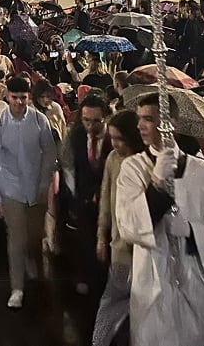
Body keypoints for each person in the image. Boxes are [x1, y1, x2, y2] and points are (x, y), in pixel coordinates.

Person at [114, 93, 204, 346]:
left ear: (169, 122)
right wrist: (158, 185)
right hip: (153, 280)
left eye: (148, 119)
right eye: (139, 119)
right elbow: (128, 224)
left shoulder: (202, 172)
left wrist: (192, 232)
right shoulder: (132, 169)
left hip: (195, 279)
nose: (140, 126)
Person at [0, 76, 58, 309]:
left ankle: (34, 265)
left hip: (36, 187)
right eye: (14, 98)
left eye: (23, 98)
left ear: (29, 98)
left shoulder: (39, 120)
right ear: (7, 96)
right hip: (11, 187)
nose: (18, 102)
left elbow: (49, 152)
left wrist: (45, 184)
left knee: (36, 237)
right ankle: (17, 287)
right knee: (16, 238)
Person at [91, 110, 144, 346]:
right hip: (120, 247)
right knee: (112, 302)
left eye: (120, 138)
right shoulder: (113, 159)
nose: (115, 144)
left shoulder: (148, 163)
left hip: (145, 251)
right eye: (112, 138)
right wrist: (101, 236)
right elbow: (105, 199)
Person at [59, 94, 112, 296]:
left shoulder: (112, 137)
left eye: (96, 121)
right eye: (86, 120)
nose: (90, 125)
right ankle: (85, 277)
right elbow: (70, 165)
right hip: (83, 195)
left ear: (105, 118)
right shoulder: (77, 134)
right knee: (84, 239)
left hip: (108, 196)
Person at [175, 0, 204, 79]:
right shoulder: (201, 21)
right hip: (201, 52)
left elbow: (193, 39)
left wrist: (192, 54)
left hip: (195, 53)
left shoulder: (192, 22)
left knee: (193, 74)